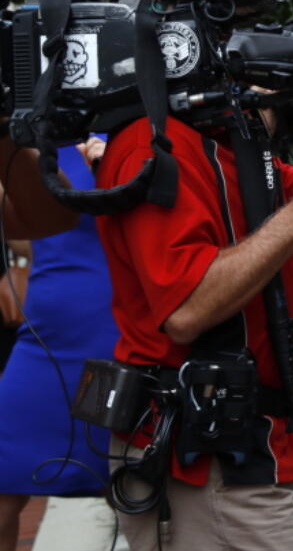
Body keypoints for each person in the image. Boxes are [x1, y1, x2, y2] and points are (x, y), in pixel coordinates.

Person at [94, 60, 293, 551]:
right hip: (198, 455)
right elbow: (186, 311)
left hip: (242, 444)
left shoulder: (234, 149)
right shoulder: (155, 144)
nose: (267, 80)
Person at [0, 140, 114, 551]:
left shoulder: (136, 125)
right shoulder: (32, 135)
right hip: (45, 341)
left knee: (128, 483)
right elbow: (18, 232)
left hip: (112, 337)